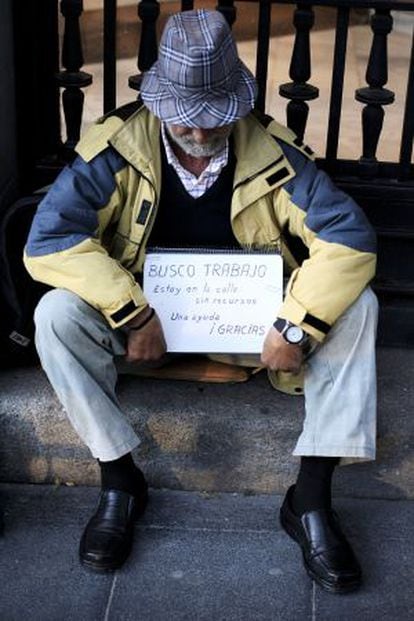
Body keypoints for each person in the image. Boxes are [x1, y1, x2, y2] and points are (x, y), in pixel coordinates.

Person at [24, 9, 378, 592]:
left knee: (358, 307)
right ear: (161, 104)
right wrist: (131, 312)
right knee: (55, 314)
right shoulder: (115, 151)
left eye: (214, 119)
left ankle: (310, 500)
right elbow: (50, 242)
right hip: (143, 329)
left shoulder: (274, 153)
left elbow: (349, 238)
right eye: (187, 120)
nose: (199, 132)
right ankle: (119, 480)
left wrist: (295, 328)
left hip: (256, 335)